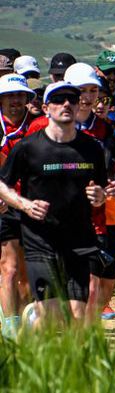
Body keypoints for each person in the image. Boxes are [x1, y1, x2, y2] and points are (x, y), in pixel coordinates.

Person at [0, 81, 107, 324]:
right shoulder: (28, 147)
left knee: (79, 316)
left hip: (79, 240)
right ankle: (31, 339)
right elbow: (2, 184)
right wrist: (24, 204)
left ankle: (72, 362)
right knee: (50, 315)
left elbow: (100, 190)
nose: (66, 104)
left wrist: (100, 196)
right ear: (46, 108)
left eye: (71, 98)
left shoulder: (92, 148)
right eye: (59, 100)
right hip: (40, 240)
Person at [63, 62, 115, 321]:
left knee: (91, 289)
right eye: (82, 90)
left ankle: (83, 349)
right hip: (54, 221)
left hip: (96, 222)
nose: (88, 97)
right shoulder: (45, 128)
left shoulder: (110, 132)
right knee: (56, 296)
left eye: (93, 90)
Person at [0, 72, 40, 335]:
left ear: (27, 98)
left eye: (20, 95)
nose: (15, 100)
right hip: (3, 204)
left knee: (26, 277)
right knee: (9, 268)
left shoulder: (39, 126)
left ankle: (24, 325)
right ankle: (10, 327)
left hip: (32, 203)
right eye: (9, 96)